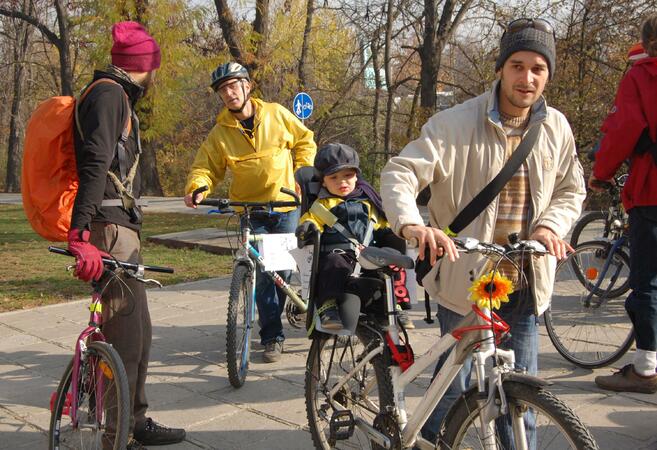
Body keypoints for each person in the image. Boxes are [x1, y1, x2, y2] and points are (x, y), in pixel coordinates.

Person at [380, 18, 586, 444]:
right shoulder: (452, 125)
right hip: (468, 276)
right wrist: (413, 224)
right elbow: (400, 173)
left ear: (547, 74)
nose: (527, 78)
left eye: (537, 68)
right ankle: (432, 438)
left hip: (525, 279)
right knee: (456, 383)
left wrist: (551, 224)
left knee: (519, 395)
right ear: (500, 68)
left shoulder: (557, 127)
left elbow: (571, 188)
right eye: (517, 65)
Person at [67, 21, 185, 450]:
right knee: (125, 340)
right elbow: (96, 162)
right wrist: (81, 231)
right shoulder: (109, 95)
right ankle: (119, 437)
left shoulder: (111, 94)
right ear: (144, 67)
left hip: (120, 229)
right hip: (109, 230)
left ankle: (134, 421)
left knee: (140, 332)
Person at [184, 62, 317, 362]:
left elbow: (304, 141)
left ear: (247, 86)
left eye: (233, 86)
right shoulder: (220, 133)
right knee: (261, 273)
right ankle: (272, 336)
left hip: (284, 205)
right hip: (249, 210)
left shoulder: (276, 113)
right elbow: (206, 166)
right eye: (223, 90)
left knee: (279, 270)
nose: (229, 93)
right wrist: (198, 186)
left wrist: (301, 174)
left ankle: (280, 312)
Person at [591, 14, 657, 394]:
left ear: (648, 43)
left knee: (647, 281)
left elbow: (622, 130)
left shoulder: (642, 76)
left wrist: (601, 172)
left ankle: (646, 368)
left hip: (651, 193)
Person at [295, 143, 411, 330]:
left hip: (367, 254)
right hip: (339, 255)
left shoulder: (369, 202)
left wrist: (398, 234)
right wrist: (306, 228)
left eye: (348, 175)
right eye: (334, 177)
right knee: (333, 264)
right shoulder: (322, 205)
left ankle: (392, 306)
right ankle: (328, 307)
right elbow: (311, 220)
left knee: (387, 263)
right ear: (323, 181)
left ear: (356, 176)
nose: (342, 182)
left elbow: (382, 225)